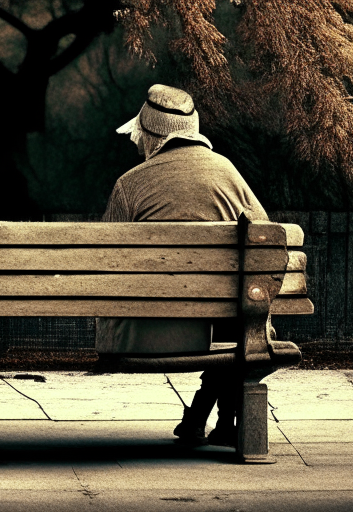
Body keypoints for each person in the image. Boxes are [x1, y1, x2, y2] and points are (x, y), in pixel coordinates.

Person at [97, 84, 269, 447]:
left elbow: (101, 264)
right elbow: (266, 250)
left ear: (150, 137)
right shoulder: (228, 175)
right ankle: (218, 423)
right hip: (214, 335)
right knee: (238, 323)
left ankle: (201, 421)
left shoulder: (129, 185)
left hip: (140, 337)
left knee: (228, 325)